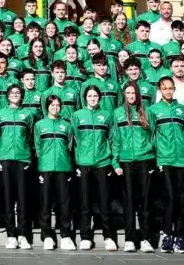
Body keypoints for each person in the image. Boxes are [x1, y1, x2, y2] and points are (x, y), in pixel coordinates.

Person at [71, 85, 117, 251]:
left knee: (104, 202)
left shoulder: (107, 115)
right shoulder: (77, 116)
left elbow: (112, 138)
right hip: (84, 163)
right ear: (85, 98)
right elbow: (74, 140)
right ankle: (85, 237)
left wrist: (112, 160)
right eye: (90, 96)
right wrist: (76, 162)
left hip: (103, 162)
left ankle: (109, 237)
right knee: (85, 202)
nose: (92, 98)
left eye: (95, 96)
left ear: (99, 97)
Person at [149, 77, 184, 253]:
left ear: (174, 89)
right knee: (170, 198)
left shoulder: (183, 110)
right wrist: (156, 156)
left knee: (182, 200)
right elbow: (151, 135)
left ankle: (180, 237)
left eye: (170, 88)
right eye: (164, 88)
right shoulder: (153, 110)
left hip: (182, 159)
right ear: (160, 89)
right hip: (164, 159)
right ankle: (167, 235)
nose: (168, 91)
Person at [112, 81, 155, 253]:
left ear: (138, 94)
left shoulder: (147, 111)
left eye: (133, 93)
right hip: (126, 161)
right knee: (129, 201)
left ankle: (145, 239)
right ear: (124, 94)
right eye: (128, 93)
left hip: (145, 159)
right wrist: (115, 161)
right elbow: (115, 138)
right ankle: (129, 239)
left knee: (145, 201)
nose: (131, 96)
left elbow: (153, 136)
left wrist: (152, 156)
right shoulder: (117, 113)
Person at [0, 84, 35, 250]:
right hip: (5, 159)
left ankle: (23, 235)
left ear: (22, 95)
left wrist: (29, 160)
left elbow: (31, 138)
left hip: (22, 159)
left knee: (22, 199)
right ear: (7, 95)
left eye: (18, 92)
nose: (15, 95)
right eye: (12, 93)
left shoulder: (28, 115)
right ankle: (11, 235)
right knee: (8, 198)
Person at [35, 95, 76, 251]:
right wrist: (40, 163)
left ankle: (65, 236)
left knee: (64, 203)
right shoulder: (39, 125)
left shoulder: (67, 126)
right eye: (52, 105)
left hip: (63, 167)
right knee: (45, 203)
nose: (55, 108)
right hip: (45, 168)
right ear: (47, 106)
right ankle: (46, 236)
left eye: (58, 105)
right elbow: (37, 146)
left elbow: (70, 146)